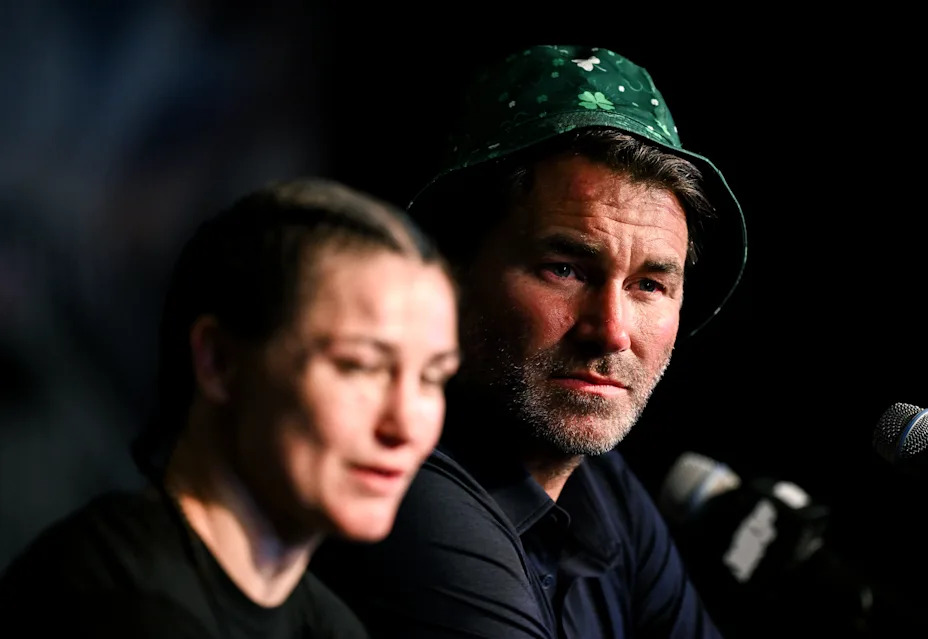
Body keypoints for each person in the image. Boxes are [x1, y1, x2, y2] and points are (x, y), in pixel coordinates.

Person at [310, 44, 748, 638]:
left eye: (649, 284)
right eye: (565, 269)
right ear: (451, 274)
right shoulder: (404, 483)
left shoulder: (604, 489)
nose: (612, 331)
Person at [0, 178, 462, 637]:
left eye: (432, 378)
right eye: (359, 366)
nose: (405, 424)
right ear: (219, 362)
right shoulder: (114, 601)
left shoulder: (330, 625)